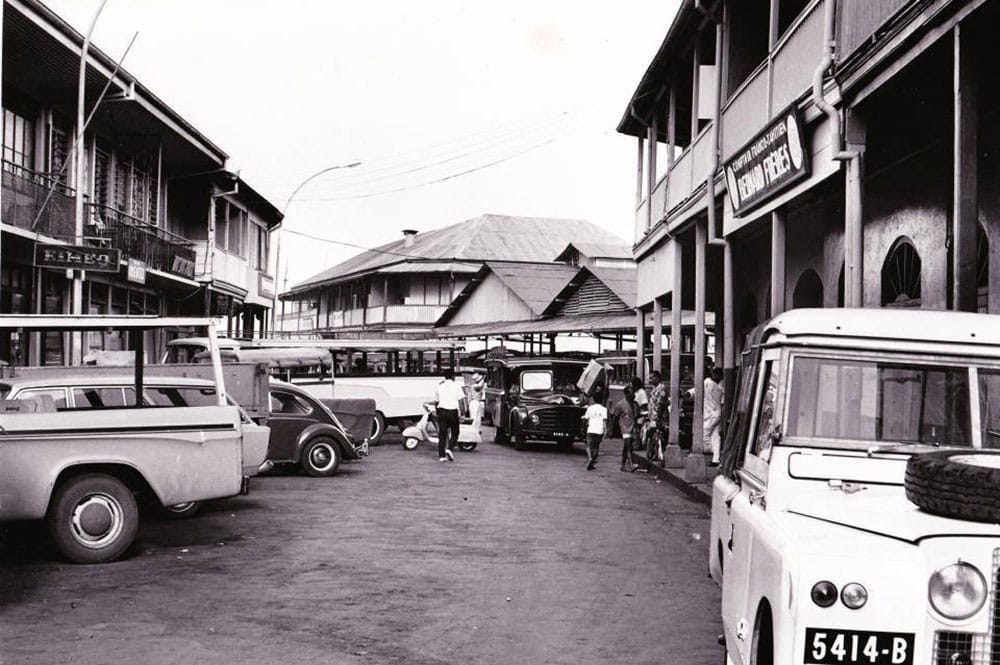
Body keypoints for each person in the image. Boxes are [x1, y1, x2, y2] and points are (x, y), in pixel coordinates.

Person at [435, 369, 465, 462]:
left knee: (442, 435)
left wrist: (437, 411)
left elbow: (436, 401)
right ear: (452, 376)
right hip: (453, 412)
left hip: (442, 411)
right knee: (455, 432)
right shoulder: (457, 386)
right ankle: (450, 448)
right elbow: (461, 401)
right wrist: (463, 413)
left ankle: (442, 456)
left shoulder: (440, 386)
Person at [611, 386, 639, 472]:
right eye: (631, 393)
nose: (633, 395)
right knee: (629, 446)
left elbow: (637, 415)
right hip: (625, 427)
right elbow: (615, 417)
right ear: (626, 394)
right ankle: (631, 464)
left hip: (632, 427)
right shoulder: (620, 405)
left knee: (626, 447)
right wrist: (611, 430)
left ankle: (622, 465)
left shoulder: (635, 404)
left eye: (634, 393)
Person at [645, 370, 668, 471]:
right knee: (653, 435)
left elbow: (661, 403)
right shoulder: (655, 389)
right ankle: (654, 454)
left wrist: (658, 416)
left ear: (657, 378)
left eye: (652, 378)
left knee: (658, 436)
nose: (650, 380)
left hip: (658, 417)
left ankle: (661, 457)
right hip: (653, 416)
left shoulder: (662, 389)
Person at [581, 393, 608, 471]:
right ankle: (592, 462)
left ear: (594, 400)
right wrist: (605, 431)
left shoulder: (590, 408)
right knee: (596, 446)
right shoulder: (604, 409)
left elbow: (585, 418)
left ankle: (590, 458)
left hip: (591, 429)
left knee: (589, 446)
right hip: (599, 430)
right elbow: (604, 421)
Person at [704, 366, 724, 465]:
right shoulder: (719, 386)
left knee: (704, 434)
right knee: (715, 437)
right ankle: (716, 459)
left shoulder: (707, 383)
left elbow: (694, 391)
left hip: (711, 415)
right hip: (718, 414)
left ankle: (715, 453)